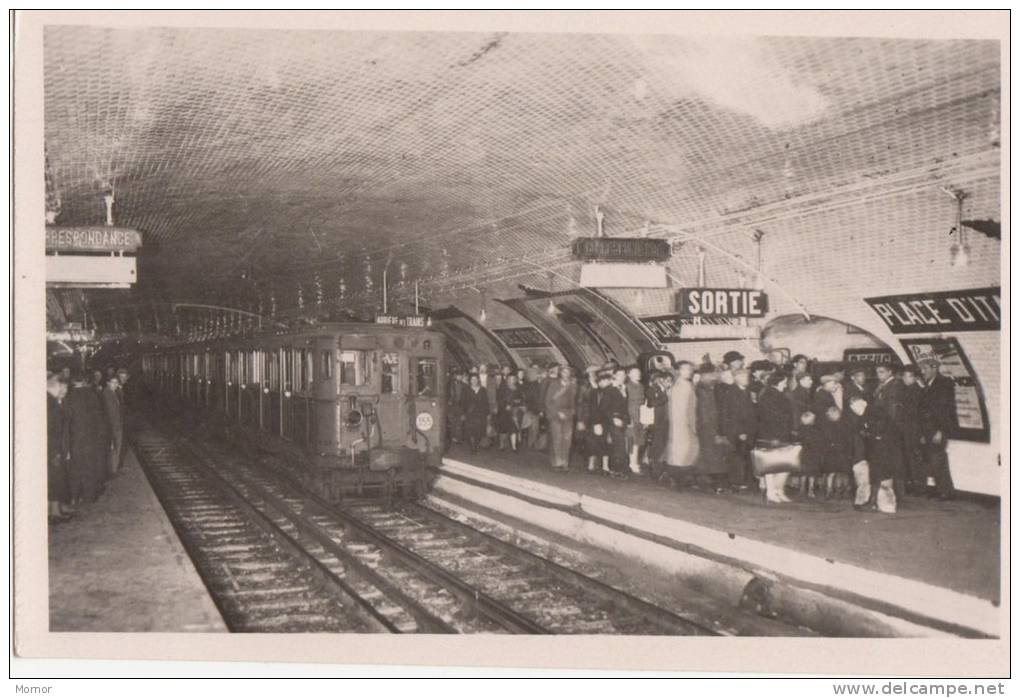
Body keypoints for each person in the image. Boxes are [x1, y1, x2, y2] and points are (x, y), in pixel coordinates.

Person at [64, 372, 107, 504]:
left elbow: (66, 421)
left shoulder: (68, 396)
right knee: (90, 466)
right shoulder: (92, 395)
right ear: (84, 381)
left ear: (72, 382)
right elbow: (99, 419)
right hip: (91, 439)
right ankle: (89, 496)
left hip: (74, 439)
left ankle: (74, 496)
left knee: (75, 468)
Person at [919, 358, 956, 500]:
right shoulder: (928, 385)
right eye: (922, 369)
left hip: (937, 429)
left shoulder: (944, 384)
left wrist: (941, 430)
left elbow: (946, 410)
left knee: (938, 459)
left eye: (925, 369)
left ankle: (945, 491)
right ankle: (942, 489)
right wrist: (922, 433)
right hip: (927, 429)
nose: (923, 372)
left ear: (934, 368)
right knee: (932, 459)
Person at [855, 396, 900, 514]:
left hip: (880, 450)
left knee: (877, 476)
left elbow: (875, 430)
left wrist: (869, 434)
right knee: (882, 477)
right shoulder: (878, 414)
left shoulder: (871, 412)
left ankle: (873, 502)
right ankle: (880, 503)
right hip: (884, 450)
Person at [756, 372, 793, 503]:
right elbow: (769, 418)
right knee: (771, 465)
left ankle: (778, 490)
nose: (786, 383)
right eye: (784, 381)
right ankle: (771, 491)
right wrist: (775, 435)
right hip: (772, 434)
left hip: (780, 434)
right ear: (777, 382)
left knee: (782, 464)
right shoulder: (769, 396)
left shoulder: (778, 394)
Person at [873, 364, 907, 496]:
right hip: (885, 426)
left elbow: (892, 409)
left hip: (890, 428)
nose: (879, 375)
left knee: (893, 459)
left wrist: (885, 428)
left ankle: (897, 491)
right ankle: (893, 490)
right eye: (877, 372)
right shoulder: (883, 385)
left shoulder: (894, 385)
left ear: (889, 372)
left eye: (881, 372)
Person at [694, 364, 728, 492]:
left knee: (709, 455)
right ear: (705, 375)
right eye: (713, 374)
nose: (714, 376)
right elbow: (705, 411)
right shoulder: (703, 389)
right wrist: (713, 430)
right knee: (710, 455)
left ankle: (705, 481)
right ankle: (711, 483)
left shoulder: (707, 388)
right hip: (707, 427)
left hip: (708, 426)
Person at [664, 361, 699, 486]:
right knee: (682, 450)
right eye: (686, 369)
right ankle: (677, 477)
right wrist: (692, 423)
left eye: (690, 369)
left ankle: (677, 476)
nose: (689, 372)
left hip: (681, 422)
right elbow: (687, 407)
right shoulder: (683, 386)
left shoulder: (681, 385)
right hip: (683, 422)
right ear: (679, 371)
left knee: (680, 449)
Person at [722, 368, 757, 489]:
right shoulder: (732, 393)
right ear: (736, 378)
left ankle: (743, 481)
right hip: (737, 431)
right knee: (737, 457)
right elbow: (732, 414)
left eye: (746, 376)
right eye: (743, 376)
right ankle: (736, 482)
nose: (746, 379)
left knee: (745, 456)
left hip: (748, 430)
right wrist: (740, 431)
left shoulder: (747, 392)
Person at [47, 373, 72, 523]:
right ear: (56, 386)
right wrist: (55, 451)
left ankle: (55, 511)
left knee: (55, 480)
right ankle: (54, 513)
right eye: (61, 387)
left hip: (54, 447)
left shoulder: (50, 401)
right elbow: (53, 429)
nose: (63, 390)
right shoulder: (51, 402)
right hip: (53, 448)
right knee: (54, 480)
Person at [598, 368, 631, 479]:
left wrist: (627, 420)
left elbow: (625, 407)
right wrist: (613, 418)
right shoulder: (609, 390)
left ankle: (617, 469)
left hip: (622, 421)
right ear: (614, 376)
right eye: (620, 375)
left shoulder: (623, 389)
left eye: (624, 375)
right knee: (619, 445)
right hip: (612, 422)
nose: (622, 377)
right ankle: (616, 470)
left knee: (620, 445)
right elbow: (603, 408)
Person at [898, 366, 925, 494]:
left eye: (907, 376)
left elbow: (918, 414)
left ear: (914, 377)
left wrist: (920, 433)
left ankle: (919, 486)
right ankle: (914, 485)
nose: (904, 378)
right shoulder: (906, 390)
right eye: (903, 376)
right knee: (908, 458)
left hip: (914, 430)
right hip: (906, 429)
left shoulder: (917, 392)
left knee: (915, 458)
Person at [544, 365, 576, 471]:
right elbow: (548, 401)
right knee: (557, 438)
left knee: (567, 439)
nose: (566, 374)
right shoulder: (554, 384)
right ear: (560, 373)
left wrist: (571, 412)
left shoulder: (572, 385)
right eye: (564, 372)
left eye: (568, 372)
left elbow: (574, 401)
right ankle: (557, 462)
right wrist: (557, 412)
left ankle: (565, 462)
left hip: (568, 414)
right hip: (555, 414)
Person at [820, 405, 854, 499]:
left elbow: (824, 439)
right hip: (841, 451)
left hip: (831, 451)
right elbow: (848, 439)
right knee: (842, 472)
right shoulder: (844, 425)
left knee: (831, 473)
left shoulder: (826, 425)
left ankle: (829, 491)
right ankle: (842, 491)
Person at [644, 370, 672, 479]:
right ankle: (654, 469)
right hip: (656, 421)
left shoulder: (668, 391)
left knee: (663, 445)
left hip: (666, 422)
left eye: (671, 381)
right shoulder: (652, 389)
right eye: (668, 381)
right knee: (657, 445)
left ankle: (660, 469)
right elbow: (652, 403)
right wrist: (666, 396)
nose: (670, 383)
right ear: (661, 380)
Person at [585, 370, 613, 474]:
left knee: (602, 442)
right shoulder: (596, 392)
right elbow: (593, 408)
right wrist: (597, 422)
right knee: (595, 442)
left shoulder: (607, 392)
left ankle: (603, 466)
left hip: (604, 421)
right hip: (597, 420)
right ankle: (594, 465)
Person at [102, 373, 126, 478]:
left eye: (117, 382)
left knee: (116, 448)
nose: (116, 384)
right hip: (113, 426)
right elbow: (110, 412)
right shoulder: (107, 394)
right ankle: (113, 471)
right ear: (108, 383)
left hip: (117, 424)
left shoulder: (113, 392)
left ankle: (114, 469)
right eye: (113, 382)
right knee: (114, 448)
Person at [796, 410, 823, 498]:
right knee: (812, 473)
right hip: (813, 453)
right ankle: (811, 491)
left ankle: (802, 489)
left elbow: (797, 440)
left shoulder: (800, 429)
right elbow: (819, 442)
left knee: (803, 472)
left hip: (803, 453)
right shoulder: (816, 430)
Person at [461, 373, 490, 453]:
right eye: (472, 379)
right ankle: (472, 447)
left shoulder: (483, 390)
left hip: (480, 414)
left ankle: (475, 445)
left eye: (475, 379)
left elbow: (486, 402)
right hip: (470, 413)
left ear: (478, 380)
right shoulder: (466, 389)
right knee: (469, 431)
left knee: (479, 431)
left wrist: (487, 413)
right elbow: (463, 402)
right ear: (470, 381)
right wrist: (463, 413)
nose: (474, 381)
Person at [625, 366, 645, 473]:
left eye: (638, 372)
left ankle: (634, 461)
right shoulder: (627, 386)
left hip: (640, 415)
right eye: (635, 372)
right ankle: (631, 463)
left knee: (638, 440)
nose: (638, 374)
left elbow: (643, 402)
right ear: (629, 374)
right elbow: (626, 403)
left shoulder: (641, 386)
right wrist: (628, 418)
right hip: (631, 415)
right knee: (631, 440)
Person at [496, 374, 525, 451]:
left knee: (513, 429)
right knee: (503, 429)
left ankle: (514, 447)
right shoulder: (503, 388)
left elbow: (521, 399)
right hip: (504, 411)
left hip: (514, 410)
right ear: (507, 379)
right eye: (510, 379)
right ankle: (502, 444)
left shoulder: (517, 389)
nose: (511, 380)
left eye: (513, 379)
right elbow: (499, 399)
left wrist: (516, 403)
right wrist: (505, 405)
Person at [446, 368, 467, 446]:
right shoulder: (449, 385)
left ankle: (458, 438)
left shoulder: (464, 386)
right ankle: (452, 438)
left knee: (459, 422)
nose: (459, 377)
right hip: (451, 406)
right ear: (455, 376)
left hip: (460, 406)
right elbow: (446, 395)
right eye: (458, 375)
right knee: (451, 422)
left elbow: (465, 397)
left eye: (461, 376)